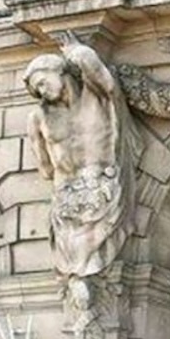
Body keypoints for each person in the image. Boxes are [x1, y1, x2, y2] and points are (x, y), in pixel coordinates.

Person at [24, 34, 141, 287]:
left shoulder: (96, 97)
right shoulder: (38, 118)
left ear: (59, 71)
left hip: (105, 192)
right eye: (37, 90)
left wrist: (78, 52)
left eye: (42, 83)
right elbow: (45, 169)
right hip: (67, 202)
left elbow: (105, 80)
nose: (42, 91)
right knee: (76, 280)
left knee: (99, 276)